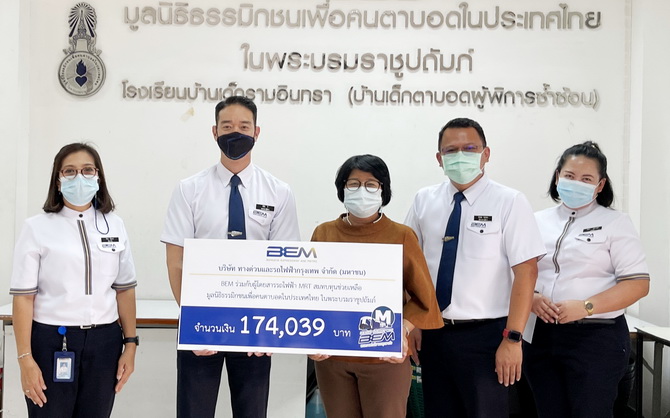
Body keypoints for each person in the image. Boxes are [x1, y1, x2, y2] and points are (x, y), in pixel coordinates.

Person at [161, 96, 300, 418]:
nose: (235, 133)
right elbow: (176, 261)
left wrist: (273, 322)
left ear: (257, 132)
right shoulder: (189, 189)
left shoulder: (278, 192)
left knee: (252, 411)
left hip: (255, 324)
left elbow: (286, 264)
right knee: (194, 411)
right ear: (214, 132)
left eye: (243, 127)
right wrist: (193, 320)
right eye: (227, 126)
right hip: (202, 319)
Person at [404, 117, 546, 418]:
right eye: (451, 150)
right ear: (439, 158)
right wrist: (413, 322)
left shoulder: (509, 202)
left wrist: (513, 339)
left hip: (488, 337)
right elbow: (411, 266)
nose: (460, 156)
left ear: (486, 154)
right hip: (434, 335)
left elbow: (526, 272)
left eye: (469, 148)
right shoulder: (423, 200)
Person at [309, 154, 443, 418]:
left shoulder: (401, 235)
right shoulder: (324, 233)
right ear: (342, 188)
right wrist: (310, 338)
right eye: (353, 183)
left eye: (371, 184)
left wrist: (402, 330)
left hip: (383, 358)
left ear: (384, 190)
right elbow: (311, 293)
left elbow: (424, 298)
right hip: (332, 358)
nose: (362, 190)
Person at [10, 142, 138, 418]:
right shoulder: (36, 227)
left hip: (105, 343)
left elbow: (124, 290)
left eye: (87, 170)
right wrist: (25, 359)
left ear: (98, 177)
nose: (79, 177)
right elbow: (23, 297)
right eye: (69, 171)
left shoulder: (114, 224)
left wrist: (130, 344)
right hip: (51, 342)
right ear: (58, 181)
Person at [524, 141, 650, 418]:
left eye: (586, 179)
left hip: (595, 338)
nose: (576, 183)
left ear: (600, 185)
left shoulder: (615, 223)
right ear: (557, 176)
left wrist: (586, 306)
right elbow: (516, 273)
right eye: (569, 176)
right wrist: (531, 299)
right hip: (541, 335)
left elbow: (638, 284)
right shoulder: (534, 221)